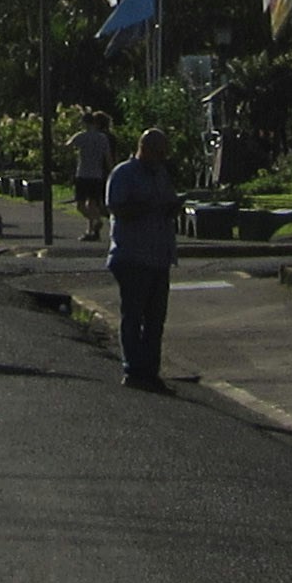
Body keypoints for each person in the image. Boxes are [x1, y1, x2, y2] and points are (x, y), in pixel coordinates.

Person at [102, 126, 182, 391]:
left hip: (159, 255)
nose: (162, 158)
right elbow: (117, 207)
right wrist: (147, 206)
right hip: (132, 255)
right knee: (134, 315)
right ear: (144, 149)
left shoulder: (160, 174)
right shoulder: (124, 174)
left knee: (156, 318)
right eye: (158, 152)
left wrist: (171, 207)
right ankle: (133, 369)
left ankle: (151, 370)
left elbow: (167, 202)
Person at [69, 118, 116, 229]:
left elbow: (68, 146)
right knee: (93, 203)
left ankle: (95, 220)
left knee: (80, 205)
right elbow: (108, 157)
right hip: (96, 174)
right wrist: (112, 171)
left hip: (83, 173)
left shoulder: (81, 136)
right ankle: (93, 225)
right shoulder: (102, 138)